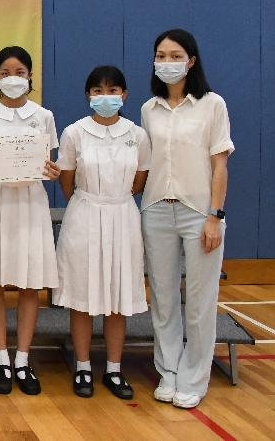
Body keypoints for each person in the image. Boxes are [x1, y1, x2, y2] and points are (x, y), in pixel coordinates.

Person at [140, 29, 232, 409]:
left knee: (199, 300)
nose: (167, 62)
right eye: (161, 55)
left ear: (191, 61)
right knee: (163, 299)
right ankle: (168, 373)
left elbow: (220, 164)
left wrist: (215, 215)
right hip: (156, 210)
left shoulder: (212, 105)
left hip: (199, 212)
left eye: (175, 55)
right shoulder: (149, 109)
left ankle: (194, 378)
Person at [0, 46, 60, 396]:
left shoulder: (44, 115)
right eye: (5, 73)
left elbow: (47, 162)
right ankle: (1, 359)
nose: (13, 78)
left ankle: (23, 359)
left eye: (20, 72)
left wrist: (51, 171)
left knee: (29, 284)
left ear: (30, 76)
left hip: (30, 202)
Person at [55, 66, 150, 400]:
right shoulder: (74, 133)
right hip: (83, 215)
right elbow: (67, 179)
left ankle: (114, 369)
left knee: (117, 298)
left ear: (124, 95)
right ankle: (82, 367)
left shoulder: (137, 135)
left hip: (123, 216)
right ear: (88, 95)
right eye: (98, 91)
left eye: (112, 91)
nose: (105, 97)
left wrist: (113, 201)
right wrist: (90, 202)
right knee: (81, 298)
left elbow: (140, 180)